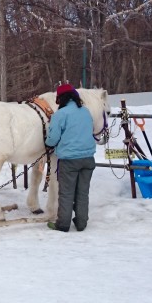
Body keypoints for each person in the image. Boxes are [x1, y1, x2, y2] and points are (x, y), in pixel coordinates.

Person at [44, 84, 97, 232]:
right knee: (82, 193)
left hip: (69, 160)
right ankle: (81, 223)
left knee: (66, 193)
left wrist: (48, 145)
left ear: (61, 99)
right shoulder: (86, 112)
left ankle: (63, 224)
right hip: (88, 159)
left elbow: (53, 138)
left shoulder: (61, 114)